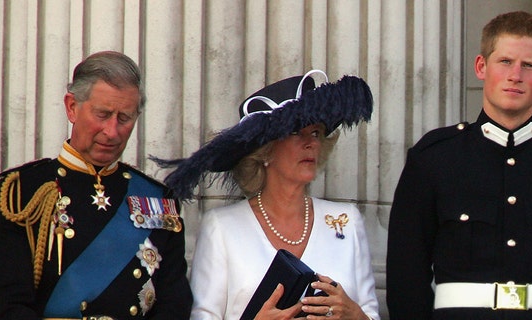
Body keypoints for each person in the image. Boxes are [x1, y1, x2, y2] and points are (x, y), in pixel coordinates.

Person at [386, 11, 532, 319]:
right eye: (505, 61)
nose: (515, 75)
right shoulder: (434, 158)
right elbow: (406, 278)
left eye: (528, 65)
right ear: (482, 67)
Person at [0, 51, 193, 319]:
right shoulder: (21, 193)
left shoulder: (158, 201)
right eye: (102, 114)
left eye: (124, 118)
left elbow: (174, 305)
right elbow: (5, 304)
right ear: (72, 107)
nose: (112, 132)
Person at [153, 70, 380, 319]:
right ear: (265, 151)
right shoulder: (222, 228)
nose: (311, 143)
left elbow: (371, 312)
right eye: (297, 132)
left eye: (316, 133)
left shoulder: (346, 221)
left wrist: (355, 314)